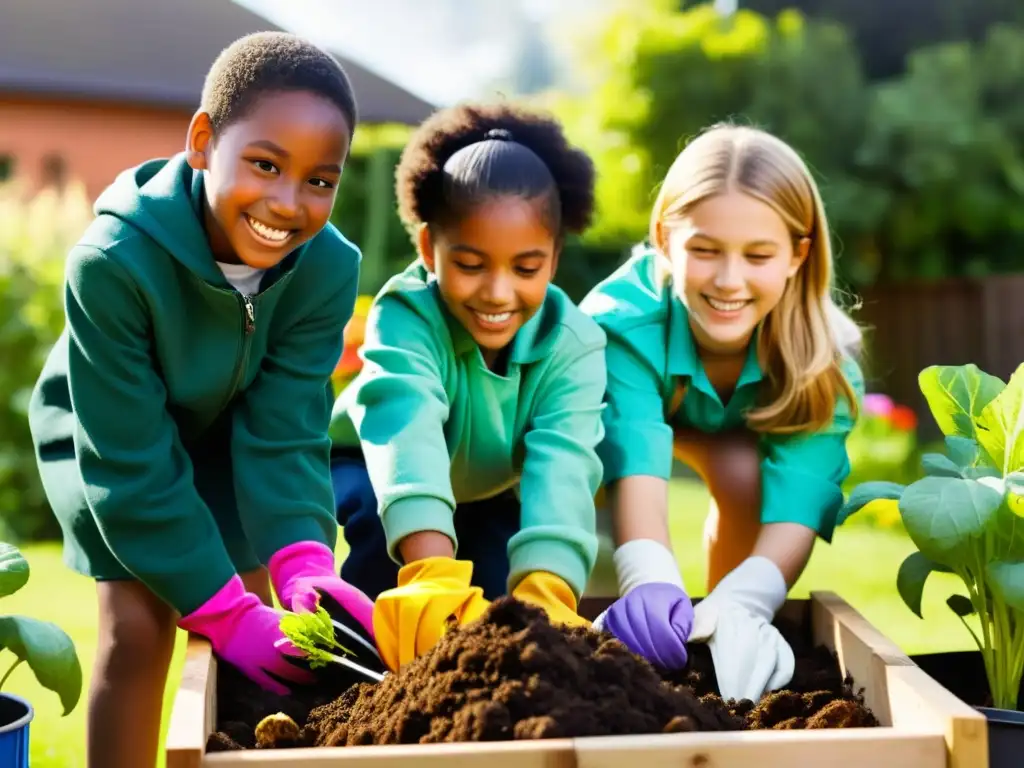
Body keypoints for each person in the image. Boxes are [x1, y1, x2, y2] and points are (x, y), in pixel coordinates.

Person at [27, 32, 376, 768]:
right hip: (111, 440)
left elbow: (283, 428)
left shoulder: (326, 270)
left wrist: (305, 562)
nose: (288, 202)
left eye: (320, 180)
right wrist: (218, 609)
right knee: (140, 625)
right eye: (265, 164)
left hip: (232, 430)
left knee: (257, 618)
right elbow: (129, 466)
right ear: (202, 141)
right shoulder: (113, 264)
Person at [580, 123, 864, 702]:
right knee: (582, 501)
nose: (729, 280)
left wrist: (748, 599)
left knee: (743, 480)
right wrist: (649, 580)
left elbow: (800, 500)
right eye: (704, 250)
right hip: (611, 435)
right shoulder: (620, 323)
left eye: (758, 255)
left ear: (797, 255)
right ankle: (607, 643)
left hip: (731, 435)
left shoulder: (820, 359)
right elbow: (632, 453)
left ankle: (716, 644)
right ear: (664, 239)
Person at [328, 102, 607, 672]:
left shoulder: (575, 345)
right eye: (472, 264)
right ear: (430, 249)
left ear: (553, 260)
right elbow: (406, 430)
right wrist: (430, 573)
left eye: (525, 269)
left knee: (498, 583)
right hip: (375, 465)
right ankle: (352, 678)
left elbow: (563, 467)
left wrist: (548, 592)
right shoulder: (407, 315)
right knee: (386, 561)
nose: (498, 292)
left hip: (489, 487)